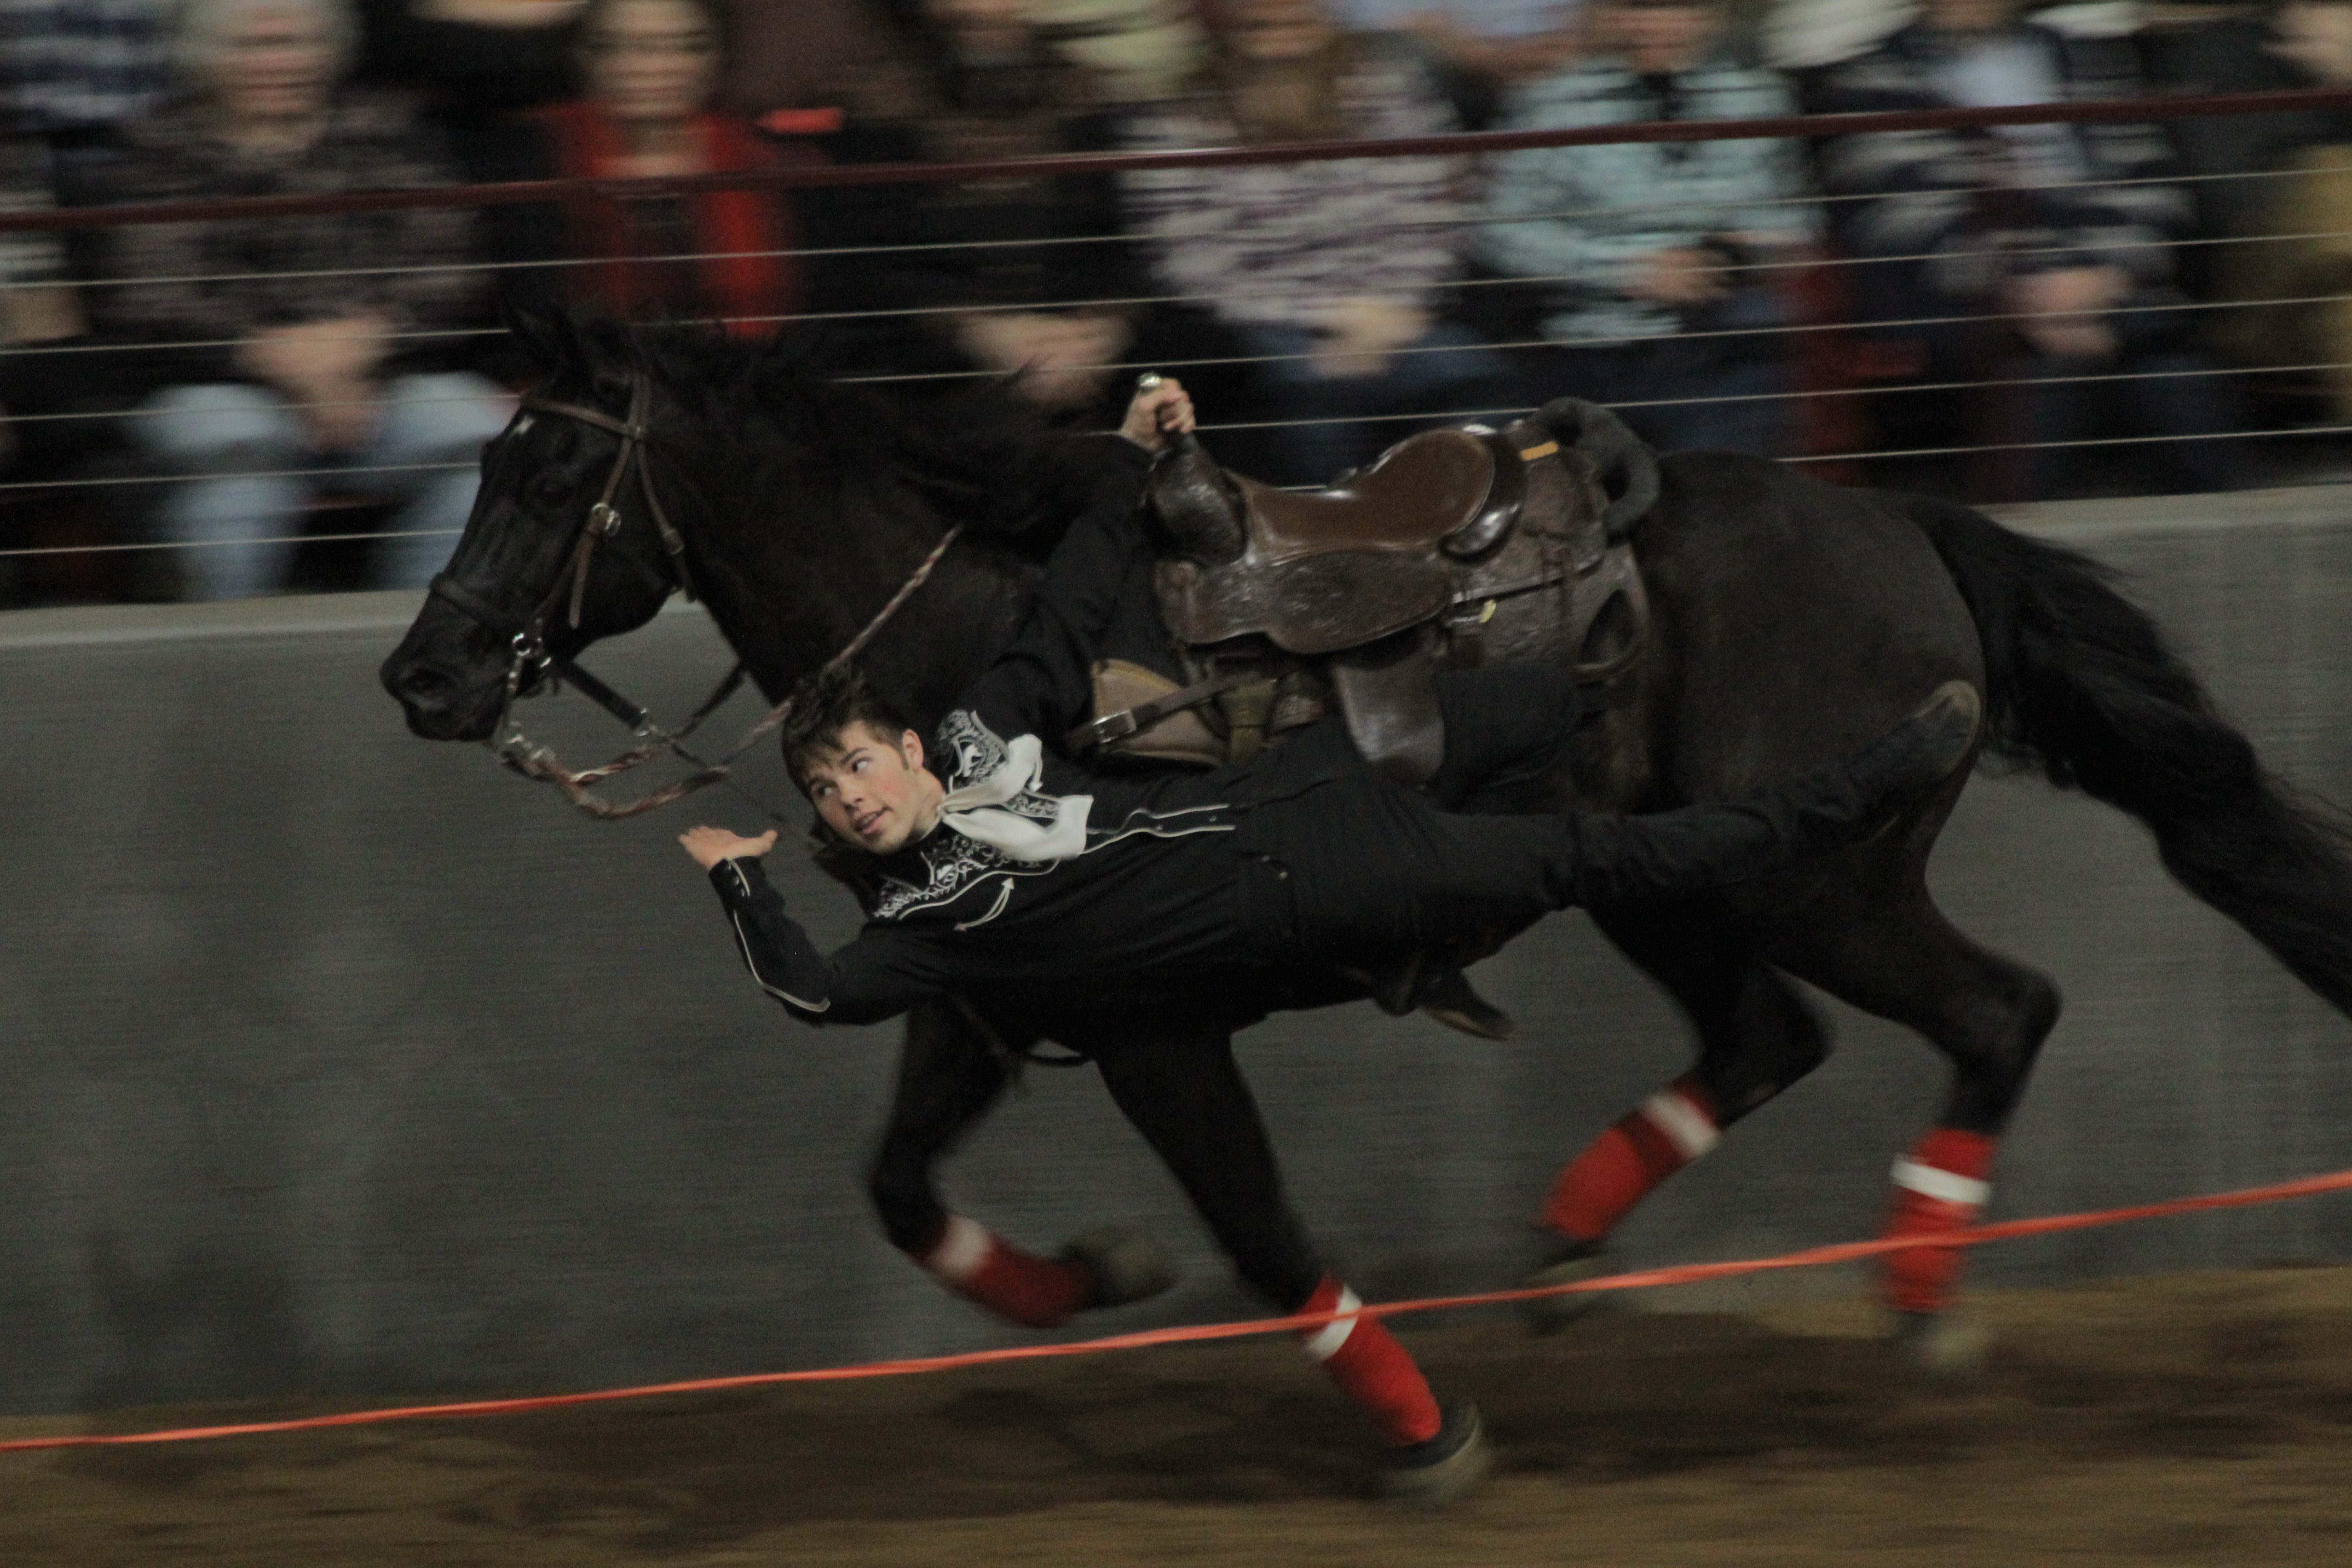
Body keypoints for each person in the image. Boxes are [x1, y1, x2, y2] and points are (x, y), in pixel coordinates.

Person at [675, 657, 1980, 1471]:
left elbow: (1046, 622)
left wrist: (1136, 438)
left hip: (1310, 783)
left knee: (1551, 697)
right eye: (830, 790)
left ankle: (1606, 848)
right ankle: (1858, 790)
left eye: (858, 763)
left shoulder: (980, 736)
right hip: (1326, 890)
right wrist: (744, 885)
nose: (852, 795)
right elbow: (814, 990)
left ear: (905, 751)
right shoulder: (920, 928)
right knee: (1602, 862)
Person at [74, 0, 513, 599]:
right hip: (219, 387)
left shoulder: (387, 133)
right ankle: (228, 662)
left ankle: (413, 642)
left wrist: (361, 345)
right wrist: (279, 359)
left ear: (331, 53)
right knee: (241, 474)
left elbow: (450, 268)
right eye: (253, 46)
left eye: (297, 43)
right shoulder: (158, 149)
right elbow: (148, 296)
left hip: (381, 382)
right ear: (206, 59)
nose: (279, 62)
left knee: (482, 441)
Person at [1810, 0, 2249, 499]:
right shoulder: (1868, 79)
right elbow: (1900, 225)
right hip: (1960, 297)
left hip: (2107, 287)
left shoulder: (2090, 59)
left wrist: (2105, 278)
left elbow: (2153, 189)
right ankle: (2021, 549)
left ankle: (2235, 533)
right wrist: (2033, 288)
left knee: (2170, 362)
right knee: (2076, 354)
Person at [1119, 0, 1516, 484]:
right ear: (1225, 34)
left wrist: (1387, 312)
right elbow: (1190, 264)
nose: (1282, 39)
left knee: (1472, 374)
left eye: (1298, 22)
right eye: (1261, 25)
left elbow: (1432, 217)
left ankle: (1456, 532)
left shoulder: (1393, 97)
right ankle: (1326, 542)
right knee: (1311, 392)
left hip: (1391, 317)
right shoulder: (1178, 121)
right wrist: (1329, 316)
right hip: (1263, 322)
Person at [1479, 0, 1816, 457]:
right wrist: (1625, 270)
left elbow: (1799, 219)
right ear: (1610, 17)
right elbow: (1500, 231)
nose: (1655, 26)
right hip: (1594, 339)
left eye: (1674, 8)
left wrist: (1722, 260)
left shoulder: (1759, 98)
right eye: (1638, 9)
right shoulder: (1552, 101)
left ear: (1709, 15)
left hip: (1720, 335)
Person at [820, 0, 1146, 415]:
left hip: (1072, 343)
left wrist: (1101, 329)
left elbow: (1113, 240)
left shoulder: (1079, 87)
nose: (984, 9)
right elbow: (867, 257)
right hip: (928, 353)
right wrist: (978, 331)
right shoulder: (877, 95)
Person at [485, 0, 810, 335]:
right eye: (624, 47)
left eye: (688, 46)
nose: (655, 66)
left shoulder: (753, 157)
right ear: (585, 56)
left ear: (717, 57)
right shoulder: (538, 152)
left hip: (732, 374)